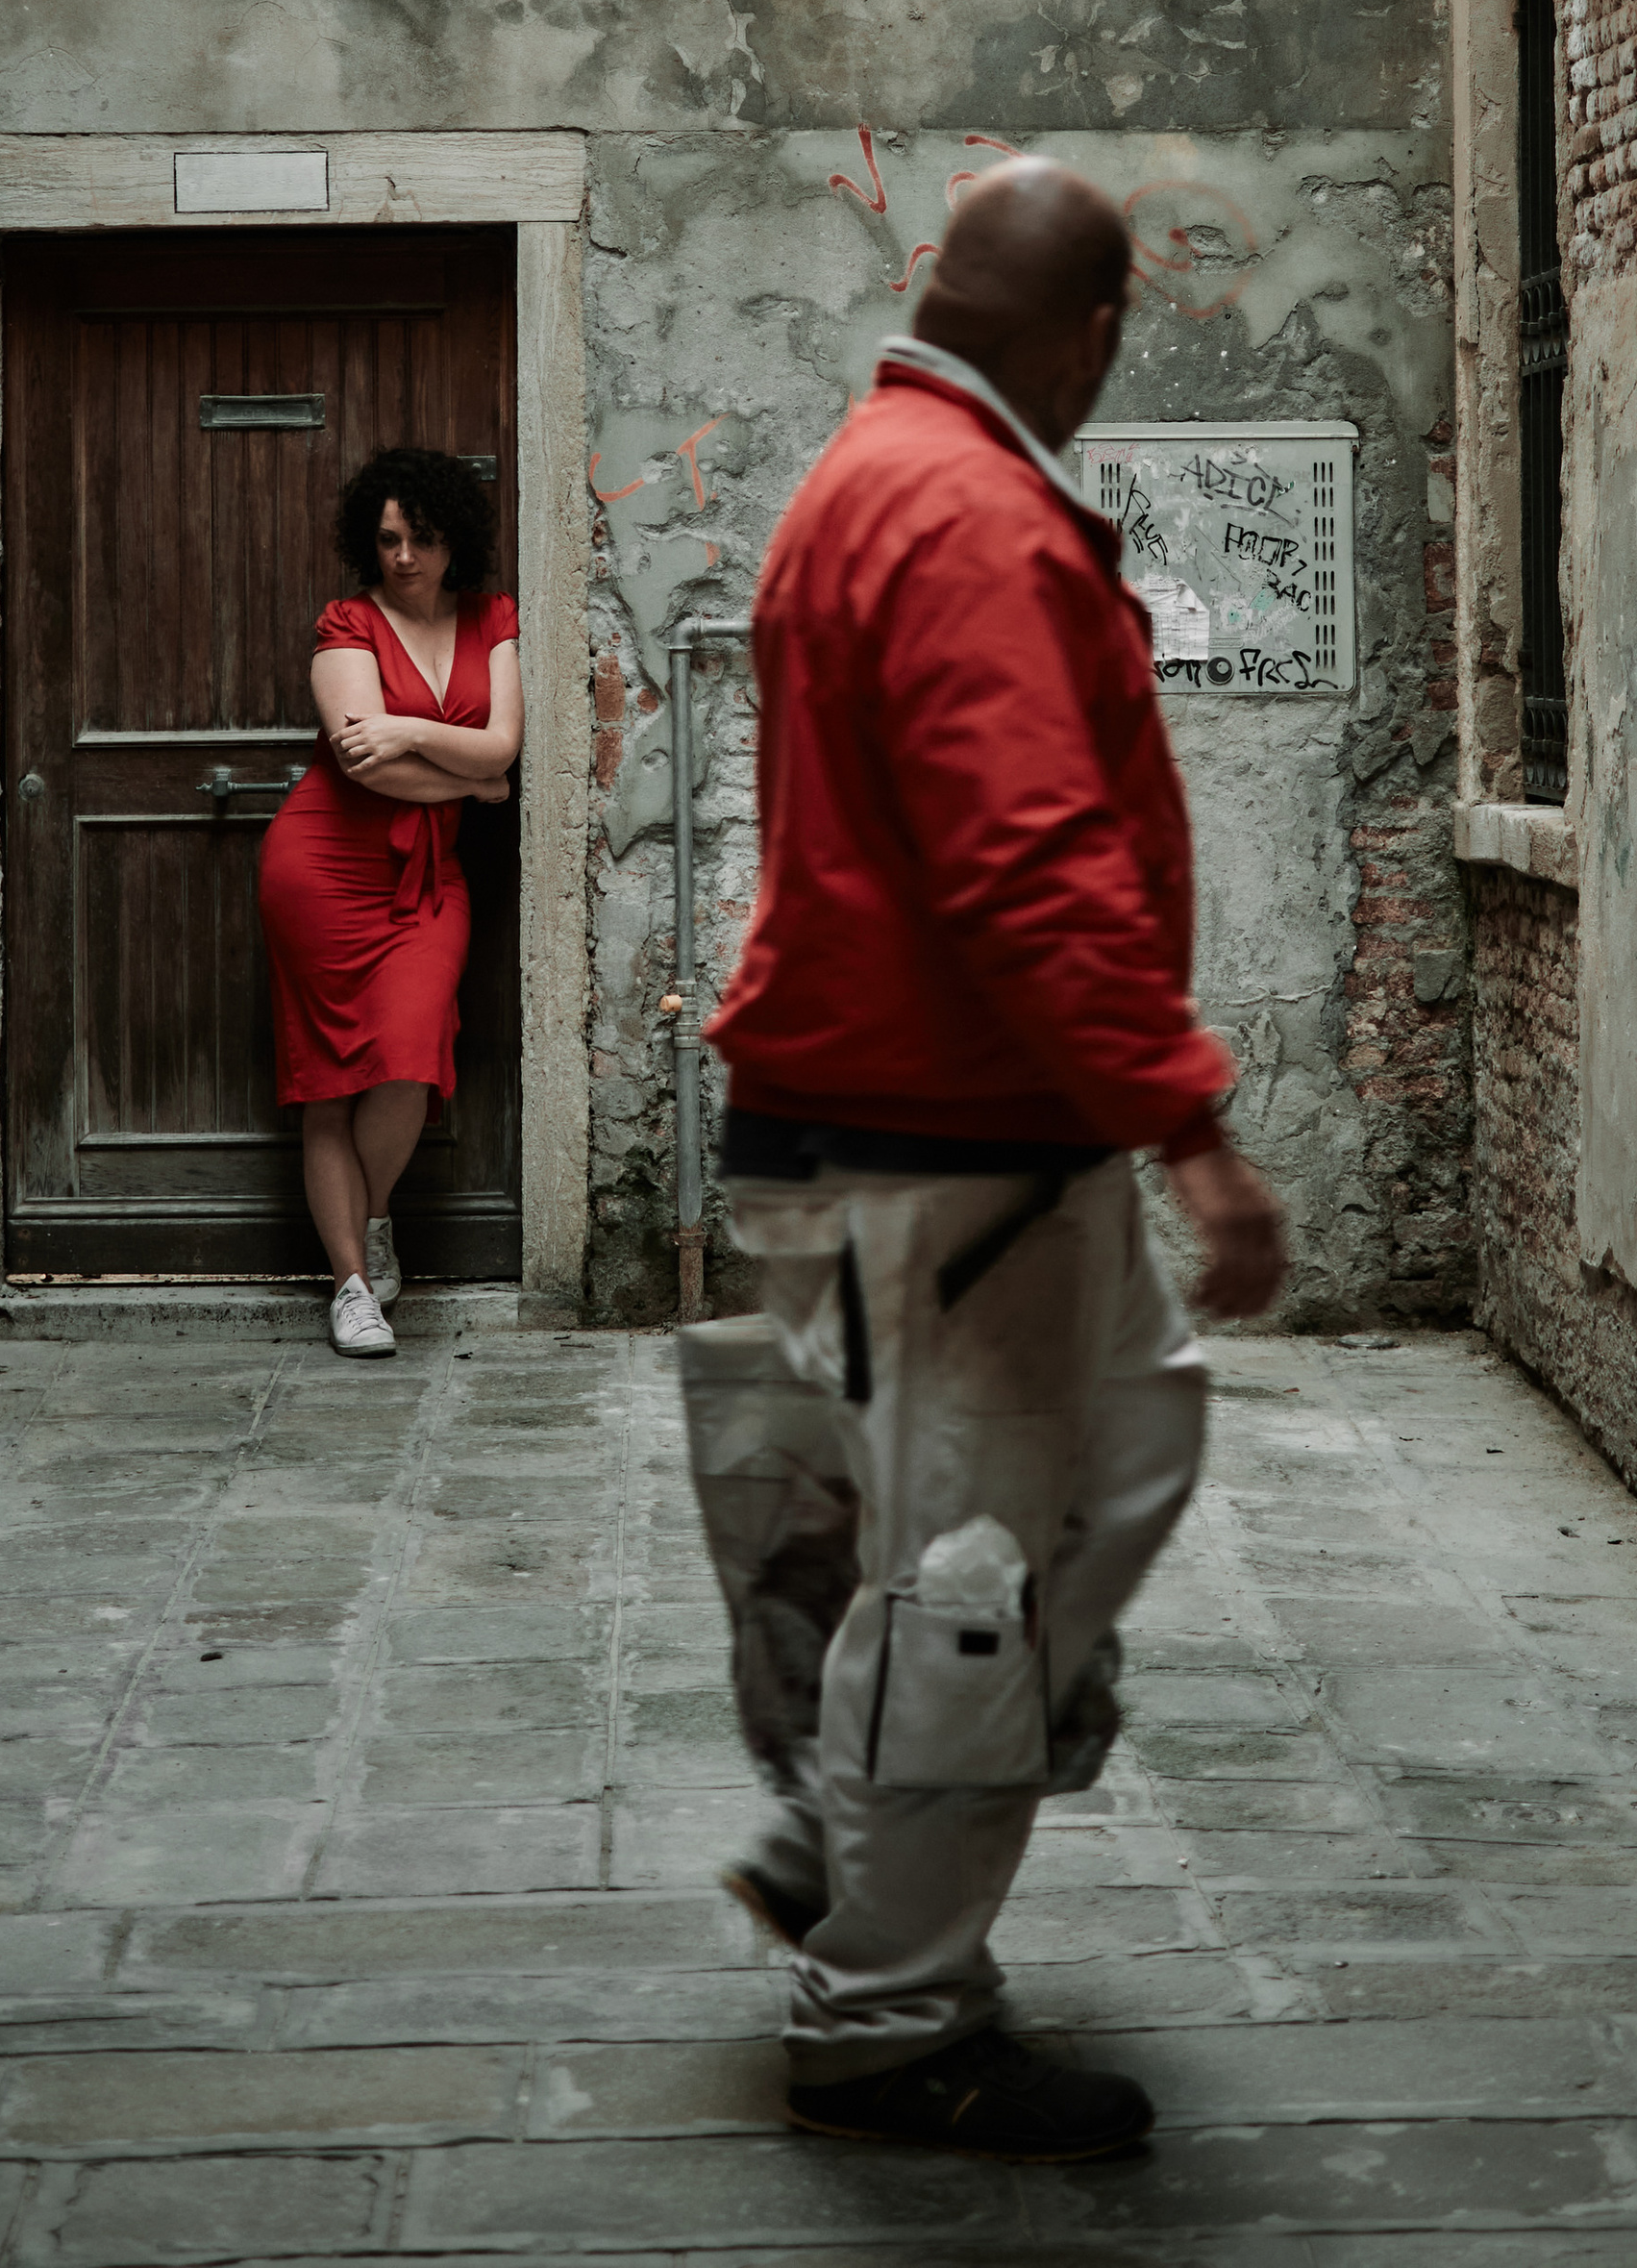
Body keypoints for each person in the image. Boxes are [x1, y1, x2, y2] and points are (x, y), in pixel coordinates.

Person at [681, 156, 1288, 2162]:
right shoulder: (961, 515)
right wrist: (1193, 1136)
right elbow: (1026, 866)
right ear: (1092, 329)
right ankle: (885, 2012)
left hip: (940, 1141)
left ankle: (857, 1810)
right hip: (944, 1153)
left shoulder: (881, 468)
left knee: (1121, 1449)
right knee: (970, 1581)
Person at [258, 447, 521, 1357]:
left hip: (428, 883)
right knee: (329, 1086)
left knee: (409, 1058)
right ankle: (351, 1287)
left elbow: (504, 749)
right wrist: (471, 777)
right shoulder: (348, 622)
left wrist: (417, 731)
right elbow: (361, 764)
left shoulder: (494, 620)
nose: (404, 556)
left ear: (457, 541)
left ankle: (369, 1223)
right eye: (389, 539)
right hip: (322, 869)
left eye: (422, 539)